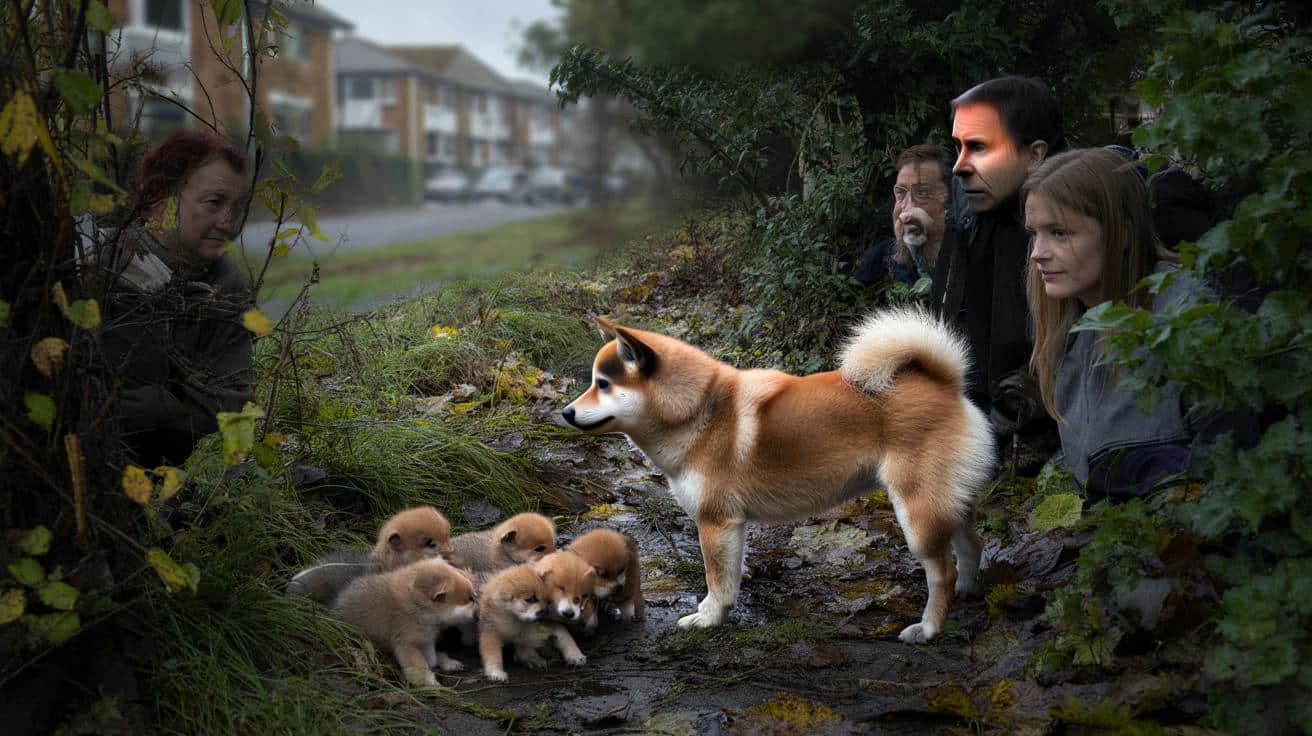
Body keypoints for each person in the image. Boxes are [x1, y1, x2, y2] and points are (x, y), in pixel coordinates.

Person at [1023, 148, 1202, 497]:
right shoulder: (1068, 334)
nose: (1037, 252)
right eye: (1035, 233)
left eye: (1059, 233)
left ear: (1122, 235)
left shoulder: (1184, 317)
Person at [92, 129, 254, 466]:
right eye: (214, 202)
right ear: (159, 202)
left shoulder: (228, 289)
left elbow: (230, 407)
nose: (227, 223)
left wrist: (161, 406)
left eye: (236, 207)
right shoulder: (99, 267)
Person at [932, 76, 1067, 425]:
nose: (959, 166)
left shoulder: (1077, 227)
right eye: (958, 147)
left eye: (979, 147)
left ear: (1035, 154)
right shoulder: (972, 207)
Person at [853, 144, 954, 289]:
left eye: (922, 193)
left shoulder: (970, 256)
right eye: (901, 192)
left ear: (945, 200)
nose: (907, 207)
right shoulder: (882, 258)